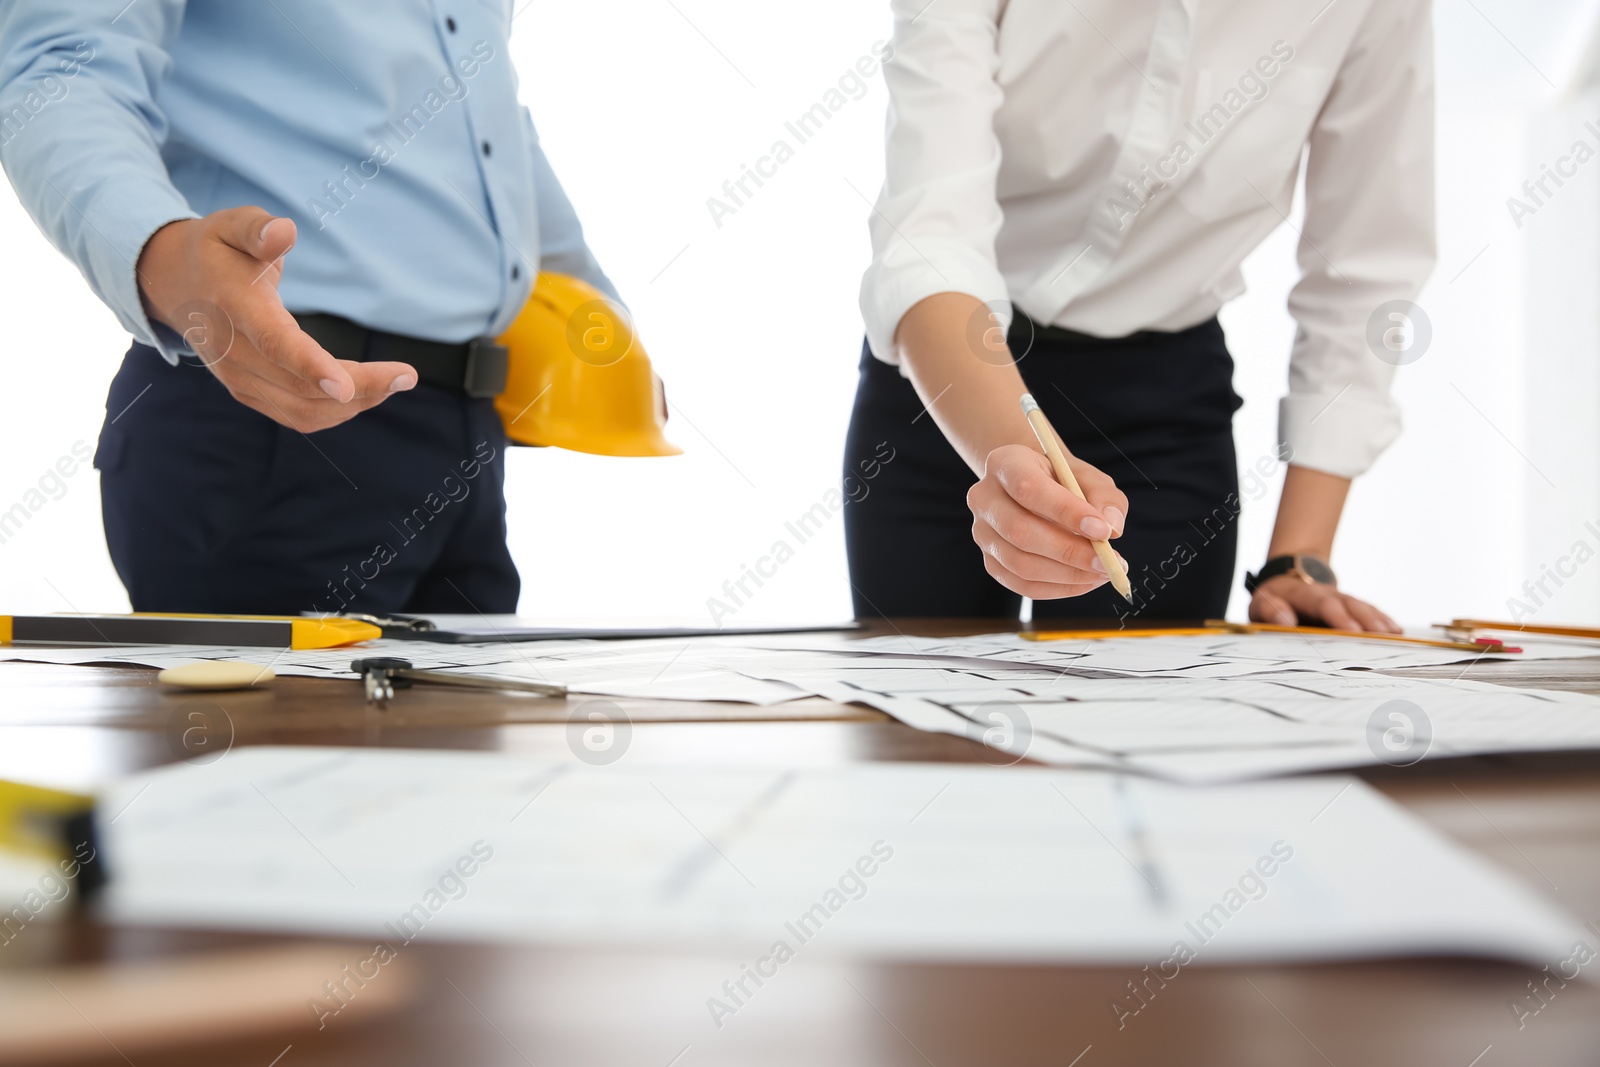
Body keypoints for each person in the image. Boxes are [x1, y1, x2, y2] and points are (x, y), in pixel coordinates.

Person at [0, 1, 618, 615]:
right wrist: (161, 250)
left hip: (464, 435)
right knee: (269, 714)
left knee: (468, 711)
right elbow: (59, 71)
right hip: (266, 421)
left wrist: (604, 319)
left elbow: (490, 132)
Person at [844, 0, 1432, 631]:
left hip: (1164, 413)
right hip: (947, 381)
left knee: (1140, 716)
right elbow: (931, 240)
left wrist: (1299, 560)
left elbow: (1363, 271)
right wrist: (1012, 450)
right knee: (920, 713)